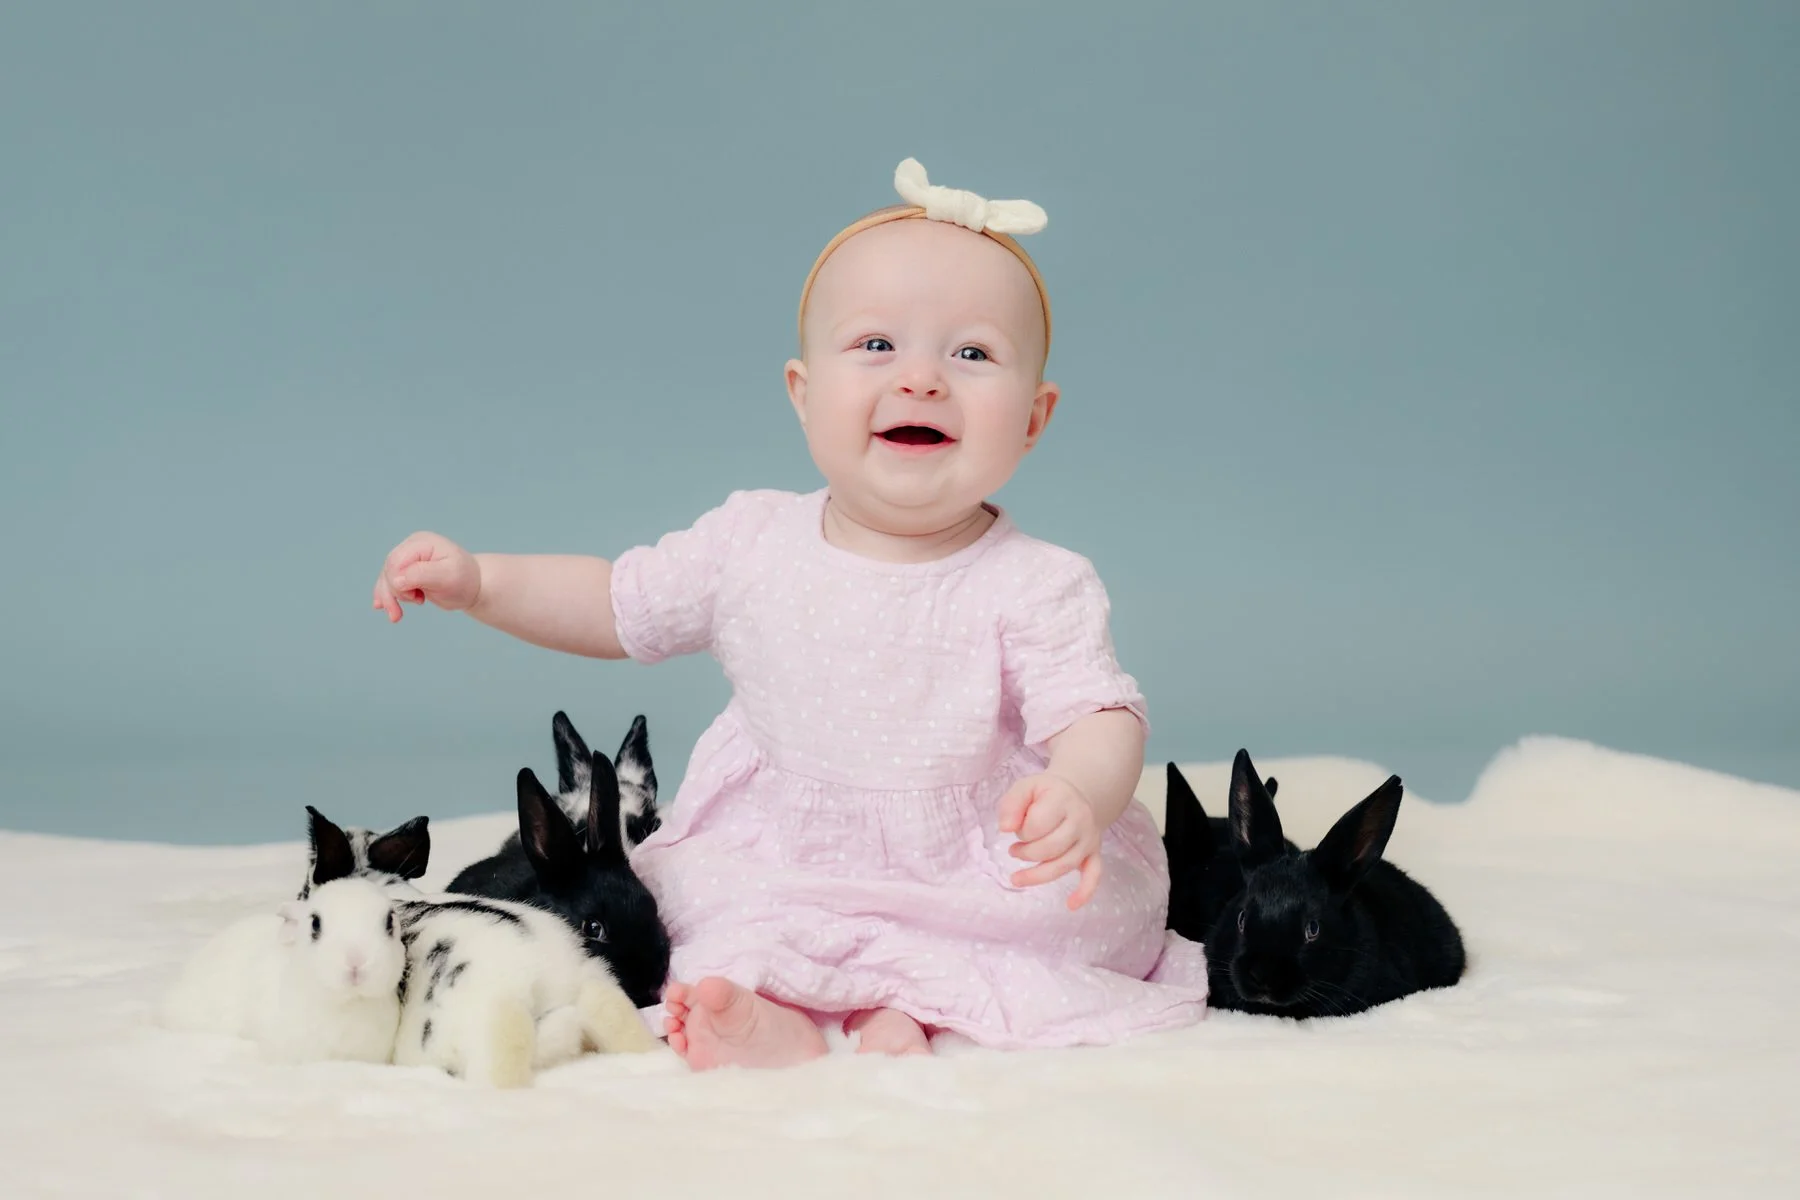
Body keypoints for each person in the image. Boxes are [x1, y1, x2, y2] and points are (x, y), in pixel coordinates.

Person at [372, 159, 1208, 1069]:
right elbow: (617, 605)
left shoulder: (1039, 581)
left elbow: (1099, 713)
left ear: (1035, 417)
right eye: (877, 345)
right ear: (804, 394)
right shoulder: (750, 541)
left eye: (971, 353)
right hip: (789, 850)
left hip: (971, 864)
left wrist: (1080, 794)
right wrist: (483, 582)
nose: (922, 378)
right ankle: (776, 1023)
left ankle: (900, 1010)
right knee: (703, 906)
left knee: (1068, 914)